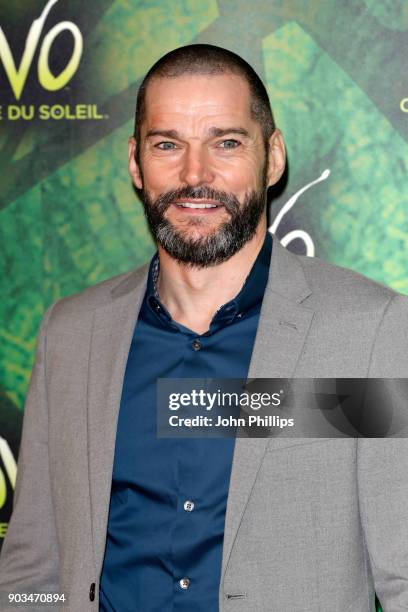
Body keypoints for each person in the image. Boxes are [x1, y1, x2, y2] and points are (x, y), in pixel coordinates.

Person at [0, 43, 407, 612]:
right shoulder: (71, 334)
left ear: (273, 157)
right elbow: (32, 565)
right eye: (168, 144)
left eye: (226, 142)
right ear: (136, 163)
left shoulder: (367, 332)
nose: (196, 174)